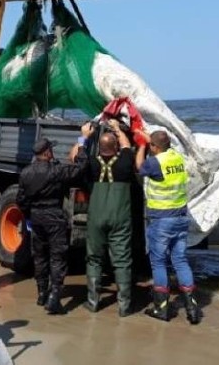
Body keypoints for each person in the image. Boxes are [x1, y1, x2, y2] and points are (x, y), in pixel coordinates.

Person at [16, 124, 91, 315]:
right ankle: (54, 298)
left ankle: (42, 293)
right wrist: (82, 142)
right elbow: (81, 167)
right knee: (57, 258)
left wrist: (28, 218)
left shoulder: (25, 173)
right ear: (48, 153)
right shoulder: (56, 171)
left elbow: (21, 201)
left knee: (39, 256)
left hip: (37, 218)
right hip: (54, 218)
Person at [135, 129, 201, 325]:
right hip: (181, 217)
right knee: (180, 260)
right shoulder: (177, 158)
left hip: (162, 220)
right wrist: (152, 143)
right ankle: (192, 307)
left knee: (158, 262)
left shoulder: (155, 163)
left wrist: (141, 145)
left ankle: (161, 308)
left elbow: (140, 167)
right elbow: (160, 149)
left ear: (154, 147)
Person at [81, 119, 136, 317]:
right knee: (121, 259)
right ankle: (124, 305)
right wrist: (116, 128)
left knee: (94, 258)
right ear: (115, 148)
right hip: (120, 216)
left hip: (97, 216)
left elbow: (75, 157)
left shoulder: (92, 163)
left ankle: (93, 302)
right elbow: (127, 145)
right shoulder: (125, 161)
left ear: (100, 148)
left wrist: (84, 137)